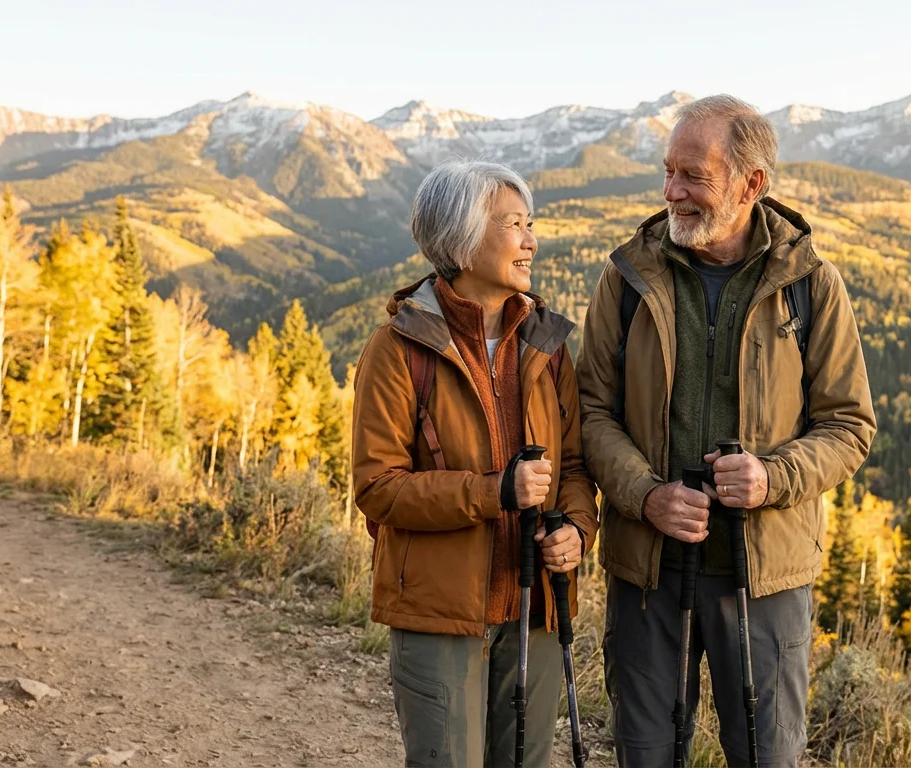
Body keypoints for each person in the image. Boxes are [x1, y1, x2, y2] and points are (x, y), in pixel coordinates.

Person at [577, 95, 877, 767]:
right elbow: (590, 411)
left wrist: (773, 478)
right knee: (646, 756)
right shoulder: (626, 278)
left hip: (765, 577)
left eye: (691, 176)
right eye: (668, 172)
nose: (670, 192)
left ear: (752, 184)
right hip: (649, 573)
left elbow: (849, 425)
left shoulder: (812, 285)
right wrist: (645, 494)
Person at [353, 160, 599, 767]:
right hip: (438, 613)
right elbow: (379, 489)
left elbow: (572, 467)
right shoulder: (397, 349)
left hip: (536, 606)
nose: (531, 240)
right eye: (513, 224)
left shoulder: (546, 344)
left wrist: (576, 530)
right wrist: (493, 492)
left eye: (530, 223)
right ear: (462, 241)